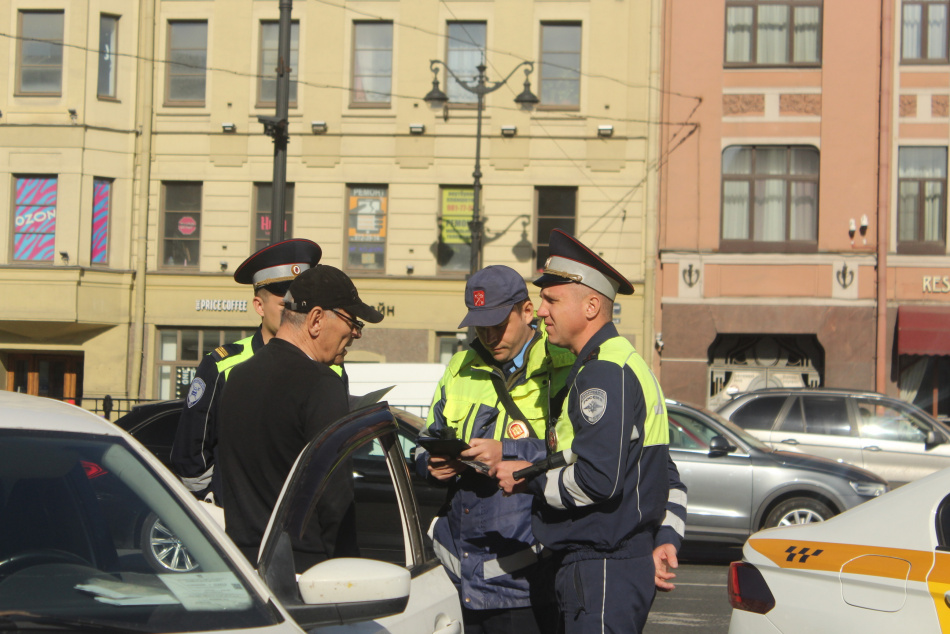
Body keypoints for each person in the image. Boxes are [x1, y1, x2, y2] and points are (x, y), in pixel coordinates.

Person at [493, 229, 688, 634]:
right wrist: (666, 536)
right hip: (617, 565)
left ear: (591, 306)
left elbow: (597, 480)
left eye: (552, 300)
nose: (540, 311)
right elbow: (667, 476)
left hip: (601, 568)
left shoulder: (601, 372)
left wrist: (526, 478)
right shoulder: (627, 362)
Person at [418, 265, 575, 634]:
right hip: (457, 576)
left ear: (527, 311)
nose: (489, 336)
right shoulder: (460, 366)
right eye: (480, 327)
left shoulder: (562, 365)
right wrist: (431, 463)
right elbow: (428, 436)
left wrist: (507, 451)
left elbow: (578, 455)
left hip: (524, 580)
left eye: (498, 325)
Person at [217, 264, 383, 571]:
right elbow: (335, 498)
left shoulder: (236, 377)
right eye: (352, 322)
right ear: (316, 319)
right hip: (304, 570)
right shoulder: (322, 384)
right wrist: (348, 570)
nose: (356, 334)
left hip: (242, 564)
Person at [170, 238, 323, 501]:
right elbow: (191, 452)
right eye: (285, 305)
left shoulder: (326, 366)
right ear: (259, 306)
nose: (295, 313)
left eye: (303, 304)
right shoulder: (223, 366)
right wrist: (215, 502)